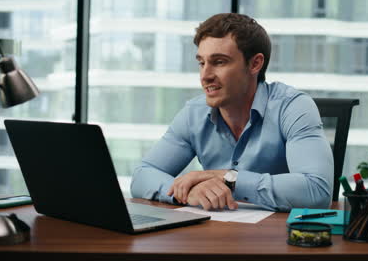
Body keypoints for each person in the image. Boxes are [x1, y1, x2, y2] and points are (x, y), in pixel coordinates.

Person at [131, 13, 334, 212]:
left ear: (255, 64)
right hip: (214, 237)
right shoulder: (193, 113)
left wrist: (229, 179)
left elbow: (316, 191)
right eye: (202, 63)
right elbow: (142, 176)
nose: (205, 75)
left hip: (279, 239)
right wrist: (187, 192)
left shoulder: (293, 107)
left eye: (219, 62)